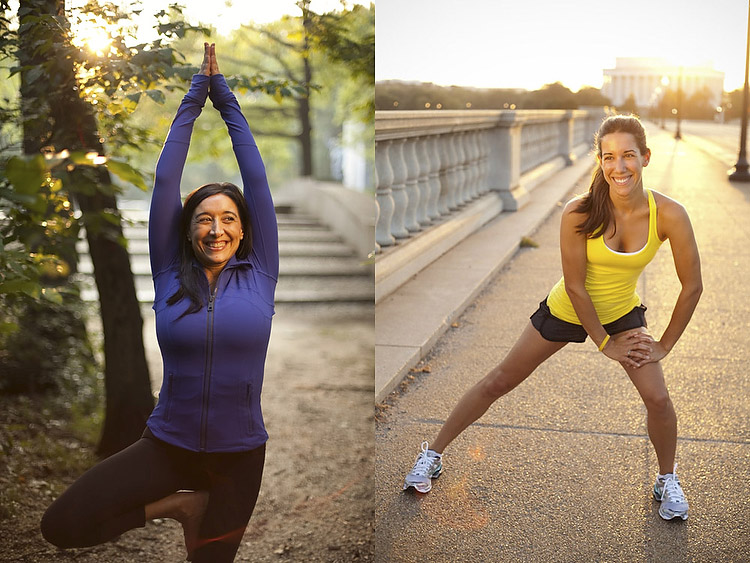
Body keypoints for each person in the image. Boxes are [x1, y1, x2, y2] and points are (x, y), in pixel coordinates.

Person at [40, 43, 278, 561]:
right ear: (188, 231)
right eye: (204, 219)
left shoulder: (261, 273)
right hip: (167, 446)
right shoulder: (171, 274)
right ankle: (178, 506)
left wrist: (226, 98)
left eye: (229, 218)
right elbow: (165, 179)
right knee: (62, 525)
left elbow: (255, 178)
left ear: (244, 229)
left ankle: (198, 509)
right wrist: (194, 97)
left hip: (239, 455)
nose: (217, 229)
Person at [403, 115, 702, 522]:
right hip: (566, 309)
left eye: (628, 155)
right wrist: (604, 344)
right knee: (500, 381)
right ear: (600, 161)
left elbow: (692, 286)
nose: (619, 167)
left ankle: (666, 478)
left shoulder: (669, 214)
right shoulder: (578, 211)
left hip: (620, 312)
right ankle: (432, 454)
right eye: (609, 157)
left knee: (658, 398)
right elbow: (576, 287)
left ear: (646, 157)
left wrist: (663, 345)